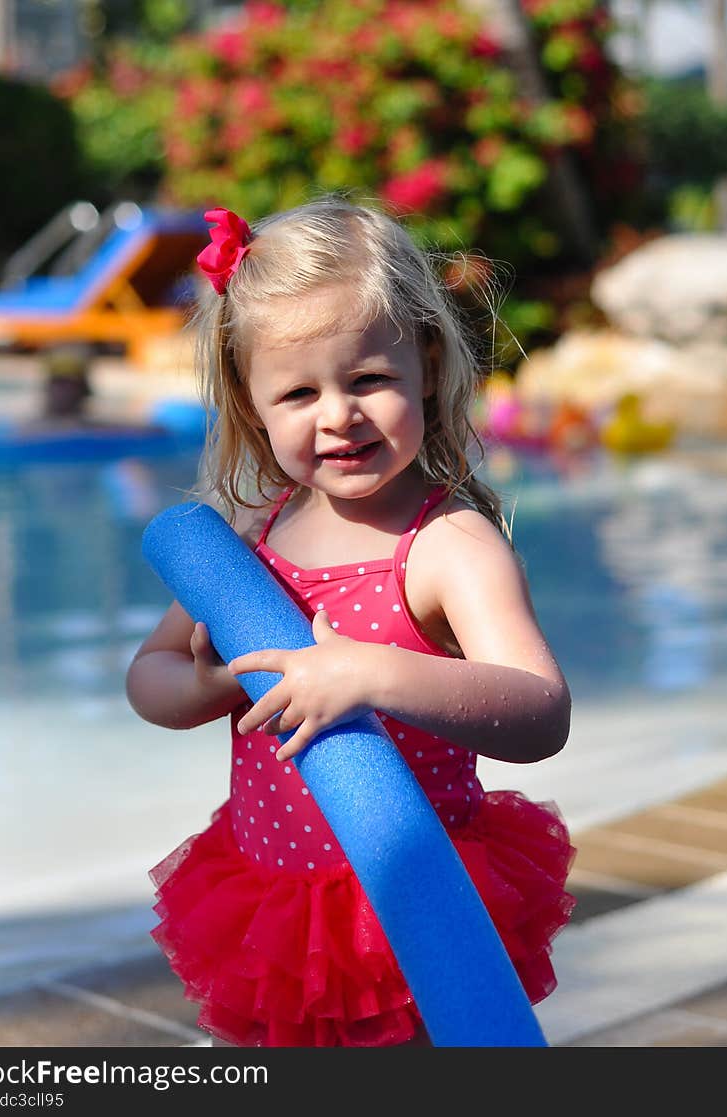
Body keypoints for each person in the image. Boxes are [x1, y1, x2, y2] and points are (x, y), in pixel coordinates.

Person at [125, 196, 576, 1048]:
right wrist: (216, 682)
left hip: (407, 911)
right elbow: (146, 677)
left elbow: (538, 707)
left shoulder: (446, 544)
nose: (338, 414)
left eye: (368, 378)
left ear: (428, 364)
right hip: (268, 906)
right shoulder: (254, 543)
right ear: (250, 403)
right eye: (299, 391)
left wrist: (369, 673)